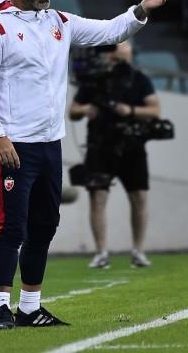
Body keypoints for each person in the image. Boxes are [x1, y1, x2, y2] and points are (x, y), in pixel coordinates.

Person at [0, 0, 173, 329]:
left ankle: (30, 308)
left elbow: (111, 31)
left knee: (45, 224)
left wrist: (142, 9)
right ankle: (0, 308)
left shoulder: (59, 22)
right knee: (11, 227)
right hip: (12, 143)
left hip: (50, 144)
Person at [68, 41, 160, 269]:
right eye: (116, 49)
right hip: (100, 145)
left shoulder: (139, 79)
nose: (119, 53)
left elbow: (155, 110)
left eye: (124, 48)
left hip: (132, 145)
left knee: (139, 197)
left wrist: (130, 110)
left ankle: (138, 251)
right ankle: (101, 252)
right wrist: (86, 109)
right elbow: (73, 111)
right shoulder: (95, 79)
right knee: (98, 197)